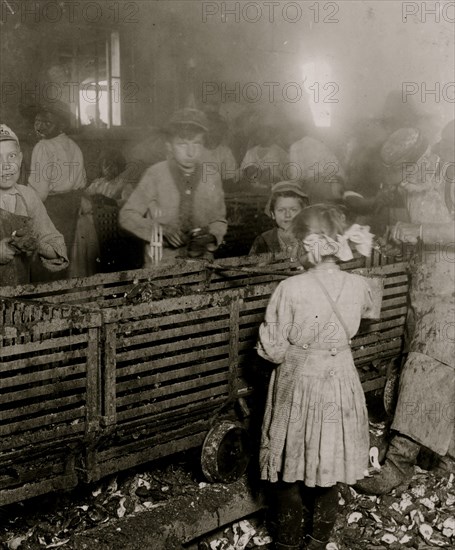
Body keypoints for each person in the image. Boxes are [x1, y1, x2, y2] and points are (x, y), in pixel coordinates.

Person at [257, 204, 377, 549]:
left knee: (287, 476)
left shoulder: (290, 288)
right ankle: (317, 543)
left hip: (301, 384)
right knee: (329, 471)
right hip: (341, 381)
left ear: (307, 243)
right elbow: (367, 317)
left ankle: (288, 544)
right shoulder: (358, 285)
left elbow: (273, 350)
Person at [355, 124, 455, 495]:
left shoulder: (448, 173)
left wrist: (420, 230)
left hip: (451, 292)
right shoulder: (419, 176)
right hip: (429, 286)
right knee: (436, 368)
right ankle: (445, 457)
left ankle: (399, 463)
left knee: (425, 368)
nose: (405, 176)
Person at [119, 107, 227, 265]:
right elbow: (127, 216)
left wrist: (212, 237)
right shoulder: (155, 174)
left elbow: (218, 220)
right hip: (161, 264)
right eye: (182, 145)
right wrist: (160, 230)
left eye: (196, 143)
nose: (191, 153)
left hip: (201, 263)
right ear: (169, 146)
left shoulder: (211, 177)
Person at [22, 100, 87, 281]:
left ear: (62, 125)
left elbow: (39, 192)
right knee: (64, 255)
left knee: (45, 257)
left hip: (51, 208)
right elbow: (82, 180)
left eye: (47, 123)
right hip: (72, 206)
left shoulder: (43, 147)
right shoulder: (73, 146)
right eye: (37, 121)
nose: (40, 127)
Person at [0, 124, 68, 286]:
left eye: (12, 156)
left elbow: (56, 245)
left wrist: (37, 244)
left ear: (21, 158)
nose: (6, 165)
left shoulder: (28, 196)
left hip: (18, 301)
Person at [69, 149, 136, 278]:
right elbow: (86, 198)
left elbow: (128, 203)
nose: (109, 169)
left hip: (112, 229)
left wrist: (110, 201)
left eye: (113, 165)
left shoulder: (123, 185)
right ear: (101, 166)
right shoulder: (97, 183)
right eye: (106, 165)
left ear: (120, 167)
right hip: (96, 226)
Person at [249, 180, 309, 257]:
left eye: (293, 210)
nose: (287, 215)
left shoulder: (311, 238)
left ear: (302, 212)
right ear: (273, 214)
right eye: (281, 210)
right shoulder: (264, 241)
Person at [240, 124, 289, 192]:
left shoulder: (279, 151)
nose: (261, 135)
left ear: (271, 134)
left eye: (265, 132)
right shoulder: (251, 152)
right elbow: (243, 172)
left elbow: (289, 171)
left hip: (275, 189)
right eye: (259, 132)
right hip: (252, 191)